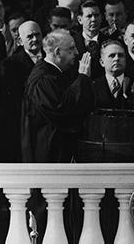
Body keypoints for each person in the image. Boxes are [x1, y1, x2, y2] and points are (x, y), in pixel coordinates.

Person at [21, 29, 94, 162]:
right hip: (48, 154)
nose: (77, 53)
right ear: (58, 52)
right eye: (71, 49)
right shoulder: (43, 79)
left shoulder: (55, 73)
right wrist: (82, 78)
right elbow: (62, 110)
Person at [1, 21, 43, 162]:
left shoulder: (52, 58)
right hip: (24, 124)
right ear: (19, 41)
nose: (35, 39)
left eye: (37, 35)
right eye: (30, 36)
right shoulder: (10, 65)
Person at [73, 0, 109, 80]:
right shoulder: (72, 43)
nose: (93, 19)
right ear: (80, 20)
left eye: (96, 15)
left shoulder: (110, 42)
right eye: (89, 16)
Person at [94, 40, 128, 109]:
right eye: (112, 56)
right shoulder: (93, 86)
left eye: (120, 55)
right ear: (102, 62)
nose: (117, 59)